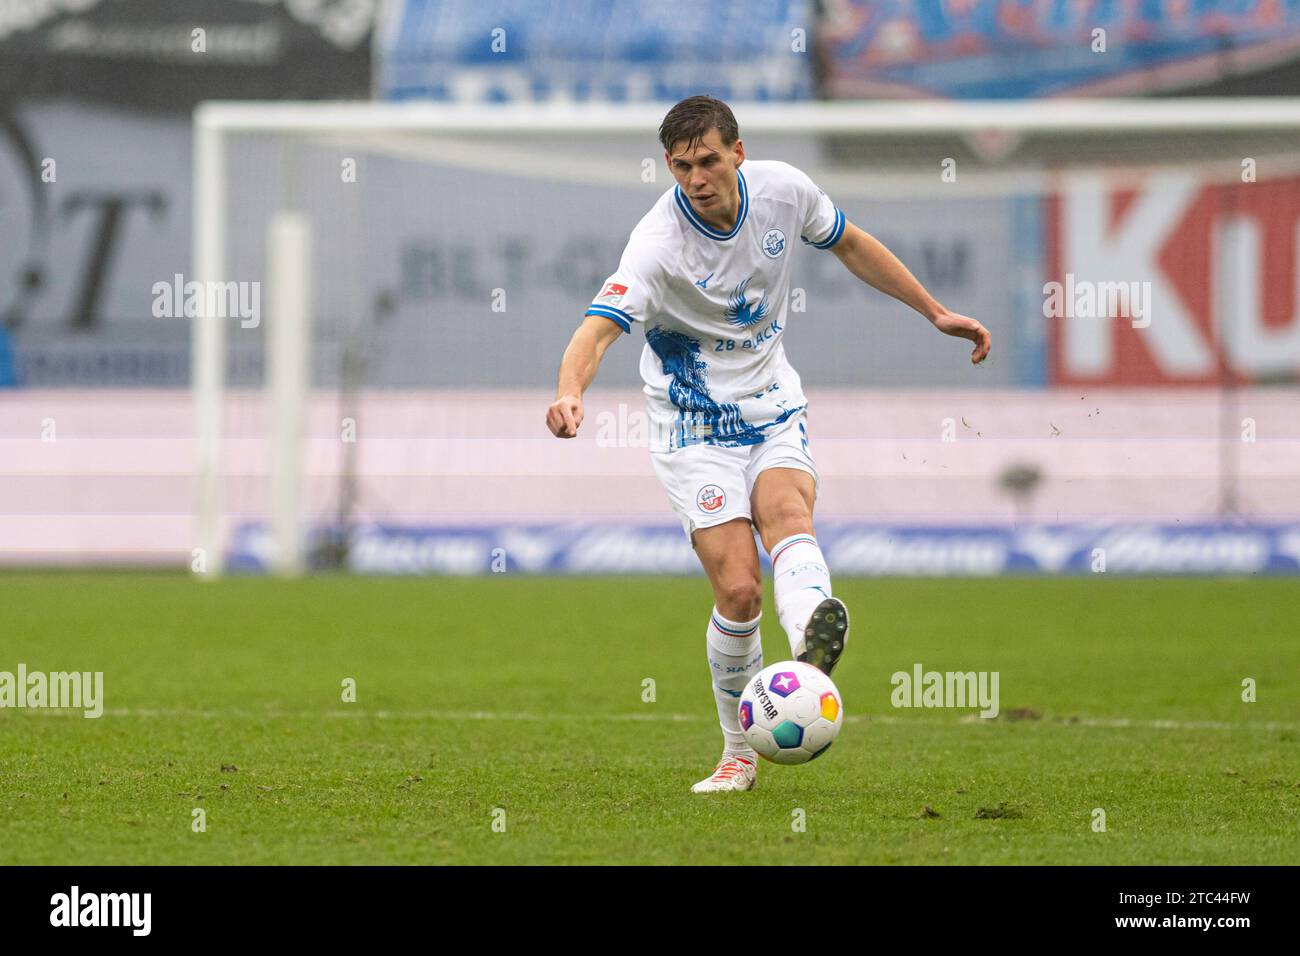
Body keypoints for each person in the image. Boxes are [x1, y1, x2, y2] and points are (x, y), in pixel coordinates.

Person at [546, 95, 991, 792]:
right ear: (670, 166)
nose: (697, 178)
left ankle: (811, 646)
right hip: (692, 426)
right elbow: (597, 329)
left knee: (788, 517)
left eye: (710, 161)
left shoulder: (784, 191)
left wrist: (934, 311)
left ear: (738, 153)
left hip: (773, 405)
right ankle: (738, 753)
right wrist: (571, 389)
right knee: (740, 589)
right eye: (683, 166)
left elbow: (850, 243)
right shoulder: (657, 245)